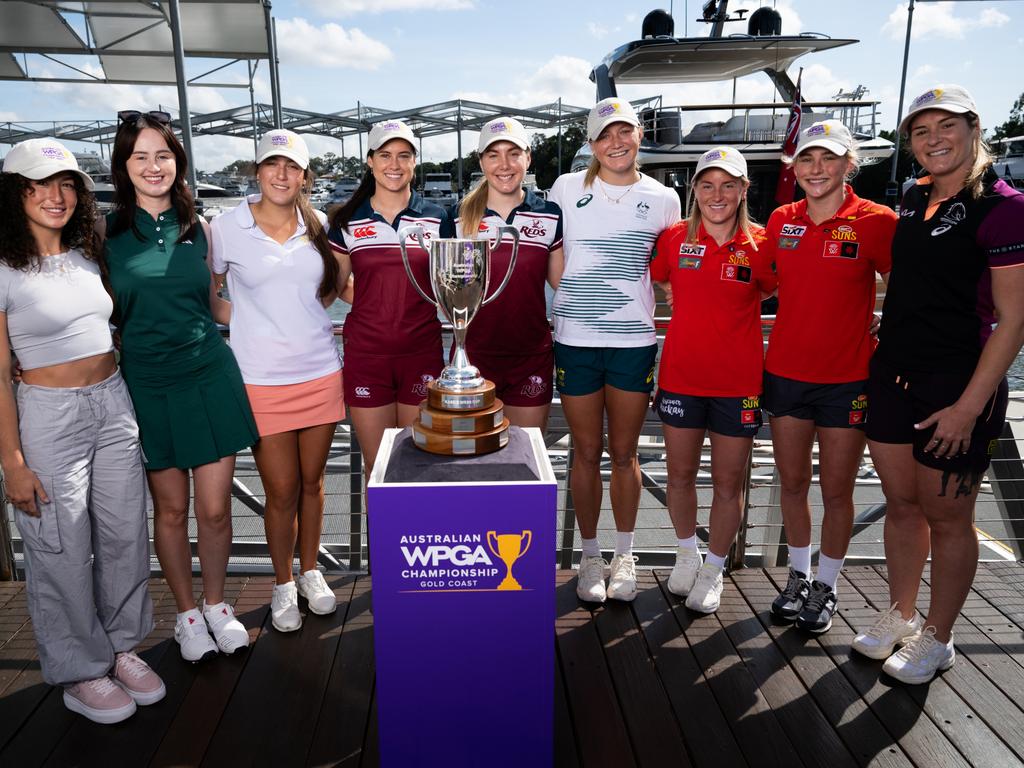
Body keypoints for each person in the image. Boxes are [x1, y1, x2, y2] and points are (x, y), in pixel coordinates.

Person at [855, 85, 1024, 683]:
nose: (933, 140)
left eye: (945, 127)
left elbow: (1014, 319)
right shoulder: (911, 197)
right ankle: (900, 615)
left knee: (949, 517)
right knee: (902, 506)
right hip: (894, 372)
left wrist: (969, 407)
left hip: (956, 385)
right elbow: (919, 278)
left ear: (974, 129)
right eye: (921, 132)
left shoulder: (1004, 207)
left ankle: (939, 637)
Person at [0, 139, 164, 723]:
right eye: (38, 185)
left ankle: (120, 647)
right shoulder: (2, 270)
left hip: (113, 402)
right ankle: (78, 670)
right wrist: (13, 462)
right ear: (14, 193)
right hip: (48, 414)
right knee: (62, 546)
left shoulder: (88, 255)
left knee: (124, 534)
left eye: (66, 184)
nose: (55, 196)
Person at [103, 110, 258, 662]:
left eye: (163, 155)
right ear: (125, 165)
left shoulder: (201, 228)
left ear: (178, 162)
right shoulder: (107, 235)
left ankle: (219, 606)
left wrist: (276, 315)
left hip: (209, 374)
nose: (153, 166)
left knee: (215, 510)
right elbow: (95, 313)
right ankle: (187, 615)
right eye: (140, 156)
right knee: (169, 512)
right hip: (147, 384)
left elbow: (218, 301)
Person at [761, 120, 897, 632]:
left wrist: (890, 324)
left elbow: (906, 283)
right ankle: (798, 576)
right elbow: (762, 281)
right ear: (794, 168)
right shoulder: (780, 219)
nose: (816, 169)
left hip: (848, 378)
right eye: (807, 160)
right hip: (786, 374)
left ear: (848, 165)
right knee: (793, 484)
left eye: (828, 159)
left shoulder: (876, 219)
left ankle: (827, 585)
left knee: (838, 490)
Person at [211, 130, 346, 633]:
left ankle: (312, 573)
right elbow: (210, 294)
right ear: (257, 171)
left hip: (319, 372)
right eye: (272, 165)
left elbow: (330, 286)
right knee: (281, 489)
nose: (282, 174)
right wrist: (247, 317)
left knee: (313, 485)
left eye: (292, 166)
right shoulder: (225, 226)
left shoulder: (319, 224)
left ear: (304, 176)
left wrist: (300, 314)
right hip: (260, 380)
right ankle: (284, 583)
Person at [548, 98, 681, 603]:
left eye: (624, 131)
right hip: (575, 341)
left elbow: (670, 273)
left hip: (632, 343)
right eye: (605, 135)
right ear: (591, 144)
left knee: (624, 454)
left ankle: (625, 554)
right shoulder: (565, 188)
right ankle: (589, 555)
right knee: (584, 453)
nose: (616, 142)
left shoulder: (664, 198)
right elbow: (551, 257)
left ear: (640, 134)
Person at [650, 147, 775, 613]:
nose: (716, 194)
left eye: (728, 185)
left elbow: (800, 290)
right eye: (707, 184)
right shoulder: (673, 238)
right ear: (694, 189)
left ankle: (715, 567)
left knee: (728, 484)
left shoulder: (763, 244)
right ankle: (687, 553)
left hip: (738, 383)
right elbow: (659, 282)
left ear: (744, 190)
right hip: (682, 376)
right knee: (679, 476)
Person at [327, 119, 451, 478]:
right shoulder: (347, 220)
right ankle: (381, 538)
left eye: (403, 155)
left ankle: (417, 536)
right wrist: (375, 300)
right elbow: (337, 285)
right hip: (368, 356)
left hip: (421, 352)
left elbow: (448, 285)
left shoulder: (438, 217)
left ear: (415, 161)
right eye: (385, 155)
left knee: (418, 467)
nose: (394, 164)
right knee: (377, 468)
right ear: (370, 161)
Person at [452, 117, 563, 431]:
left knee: (527, 462)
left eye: (513, 153)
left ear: (528, 158)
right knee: (470, 464)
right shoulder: (458, 218)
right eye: (493, 155)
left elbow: (563, 285)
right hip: (472, 355)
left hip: (530, 357)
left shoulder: (550, 215)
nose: (504, 164)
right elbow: (443, 289)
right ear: (481, 162)